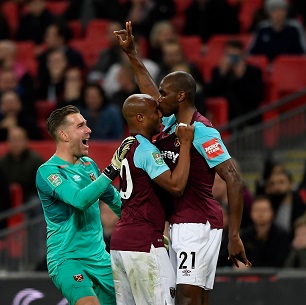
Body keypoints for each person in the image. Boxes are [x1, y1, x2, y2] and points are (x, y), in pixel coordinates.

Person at [114, 21, 251, 305]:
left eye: (164, 94)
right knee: (194, 297)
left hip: (199, 222)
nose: (158, 98)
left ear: (181, 96)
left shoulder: (202, 131)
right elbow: (149, 93)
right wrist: (133, 55)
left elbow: (233, 179)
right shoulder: (169, 122)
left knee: (188, 297)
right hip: (178, 223)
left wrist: (234, 235)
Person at [35, 105, 134, 305]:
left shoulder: (89, 166)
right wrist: (112, 169)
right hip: (67, 259)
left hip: (100, 259)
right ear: (63, 134)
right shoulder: (47, 172)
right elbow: (79, 200)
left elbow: (117, 203)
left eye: (86, 125)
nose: (88, 131)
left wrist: (148, 228)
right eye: (80, 126)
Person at [110, 94, 194, 305]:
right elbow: (176, 186)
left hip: (120, 245)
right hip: (143, 244)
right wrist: (185, 144)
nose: (160, 115)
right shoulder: (146, 149)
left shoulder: (127, 146)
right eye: (155, 111)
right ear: (140, 117)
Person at [206, 39, 264, 124]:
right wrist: (221, 74)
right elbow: (210, 94)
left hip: (247, 111)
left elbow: (256, 97)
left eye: (235, 57)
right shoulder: (218, 71)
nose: (232, 61)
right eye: (229, 56)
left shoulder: (253, 71)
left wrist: (240, 78)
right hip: (225, 111)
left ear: (242, 55)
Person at [239, 195, 290, 268]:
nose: (260, 214)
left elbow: (279, 263)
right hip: (249, 277)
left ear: (272, 213)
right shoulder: (244, 235)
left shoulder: (281, 235)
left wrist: (251, 267)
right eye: (256, 210)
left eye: (264, 210)